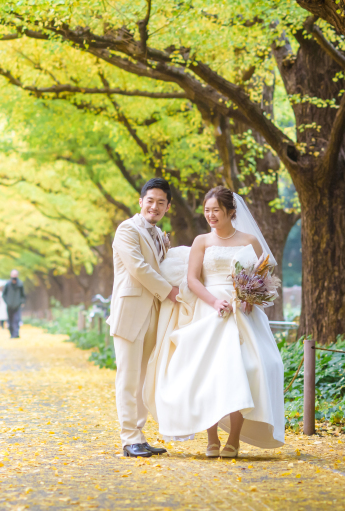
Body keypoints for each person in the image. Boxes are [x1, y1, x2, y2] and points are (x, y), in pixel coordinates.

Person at [144, 186, 285, 458]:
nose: (210, 215)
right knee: (207, 371)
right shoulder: (202, 241)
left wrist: (249, 299)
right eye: (207, 210)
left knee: (247, 368)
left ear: (231, 212)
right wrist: (212, 301)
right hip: (210, 309)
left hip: (243, 313)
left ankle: (234, 438)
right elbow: (193, 279)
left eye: (216, 210)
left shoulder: (250, 241)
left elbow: (262, 277)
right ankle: (211, 438)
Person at [108, 178, 177, 458]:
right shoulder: (127, 229)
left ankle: (139, 433)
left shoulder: (160, 235)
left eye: (161, 202)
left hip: (155, 313)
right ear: (141, 202)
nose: (155, 206)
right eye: (150, 200)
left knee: (145, 377)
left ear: (168, 207)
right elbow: (137, 267)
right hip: (131, 310)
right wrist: (169, 291)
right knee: (128, 377)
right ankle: (128, 438)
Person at [2, 269, 26, 339]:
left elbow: (23, 295)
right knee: (10, 320)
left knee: (16, 319)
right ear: (10, 275)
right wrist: (7, 302)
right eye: (13, 274)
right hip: (9, 305)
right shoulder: (8, 284)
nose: (14, 276)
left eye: (15, 274)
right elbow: (4, 295)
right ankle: (11, 333)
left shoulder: (20, 284)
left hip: (17, 305)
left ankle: (16, 333)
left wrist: (22, 302)